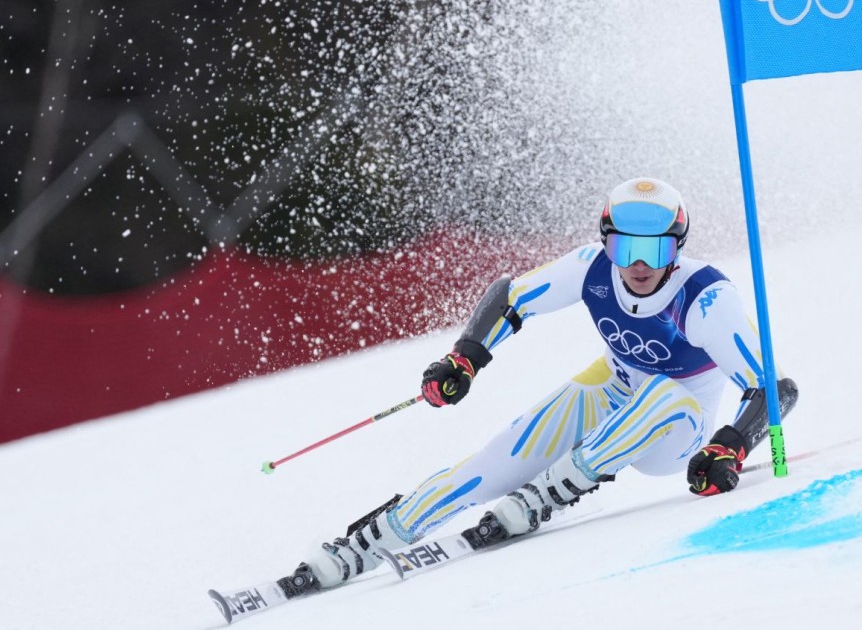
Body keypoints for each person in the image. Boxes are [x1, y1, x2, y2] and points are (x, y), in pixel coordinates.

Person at [280, 177, 798, 595]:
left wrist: (729, 445)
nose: (638, 264)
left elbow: (774, 388)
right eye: (624, 247)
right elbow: (511, 296)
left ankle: (550, 492)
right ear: (606, 242)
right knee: (490, 462)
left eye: (656, 250)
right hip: (613, 395)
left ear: (677, 248)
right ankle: (372, 541)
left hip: (676, 433)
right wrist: (465, 358)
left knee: (665, 392)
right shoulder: (590, 268)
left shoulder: (705, 300)